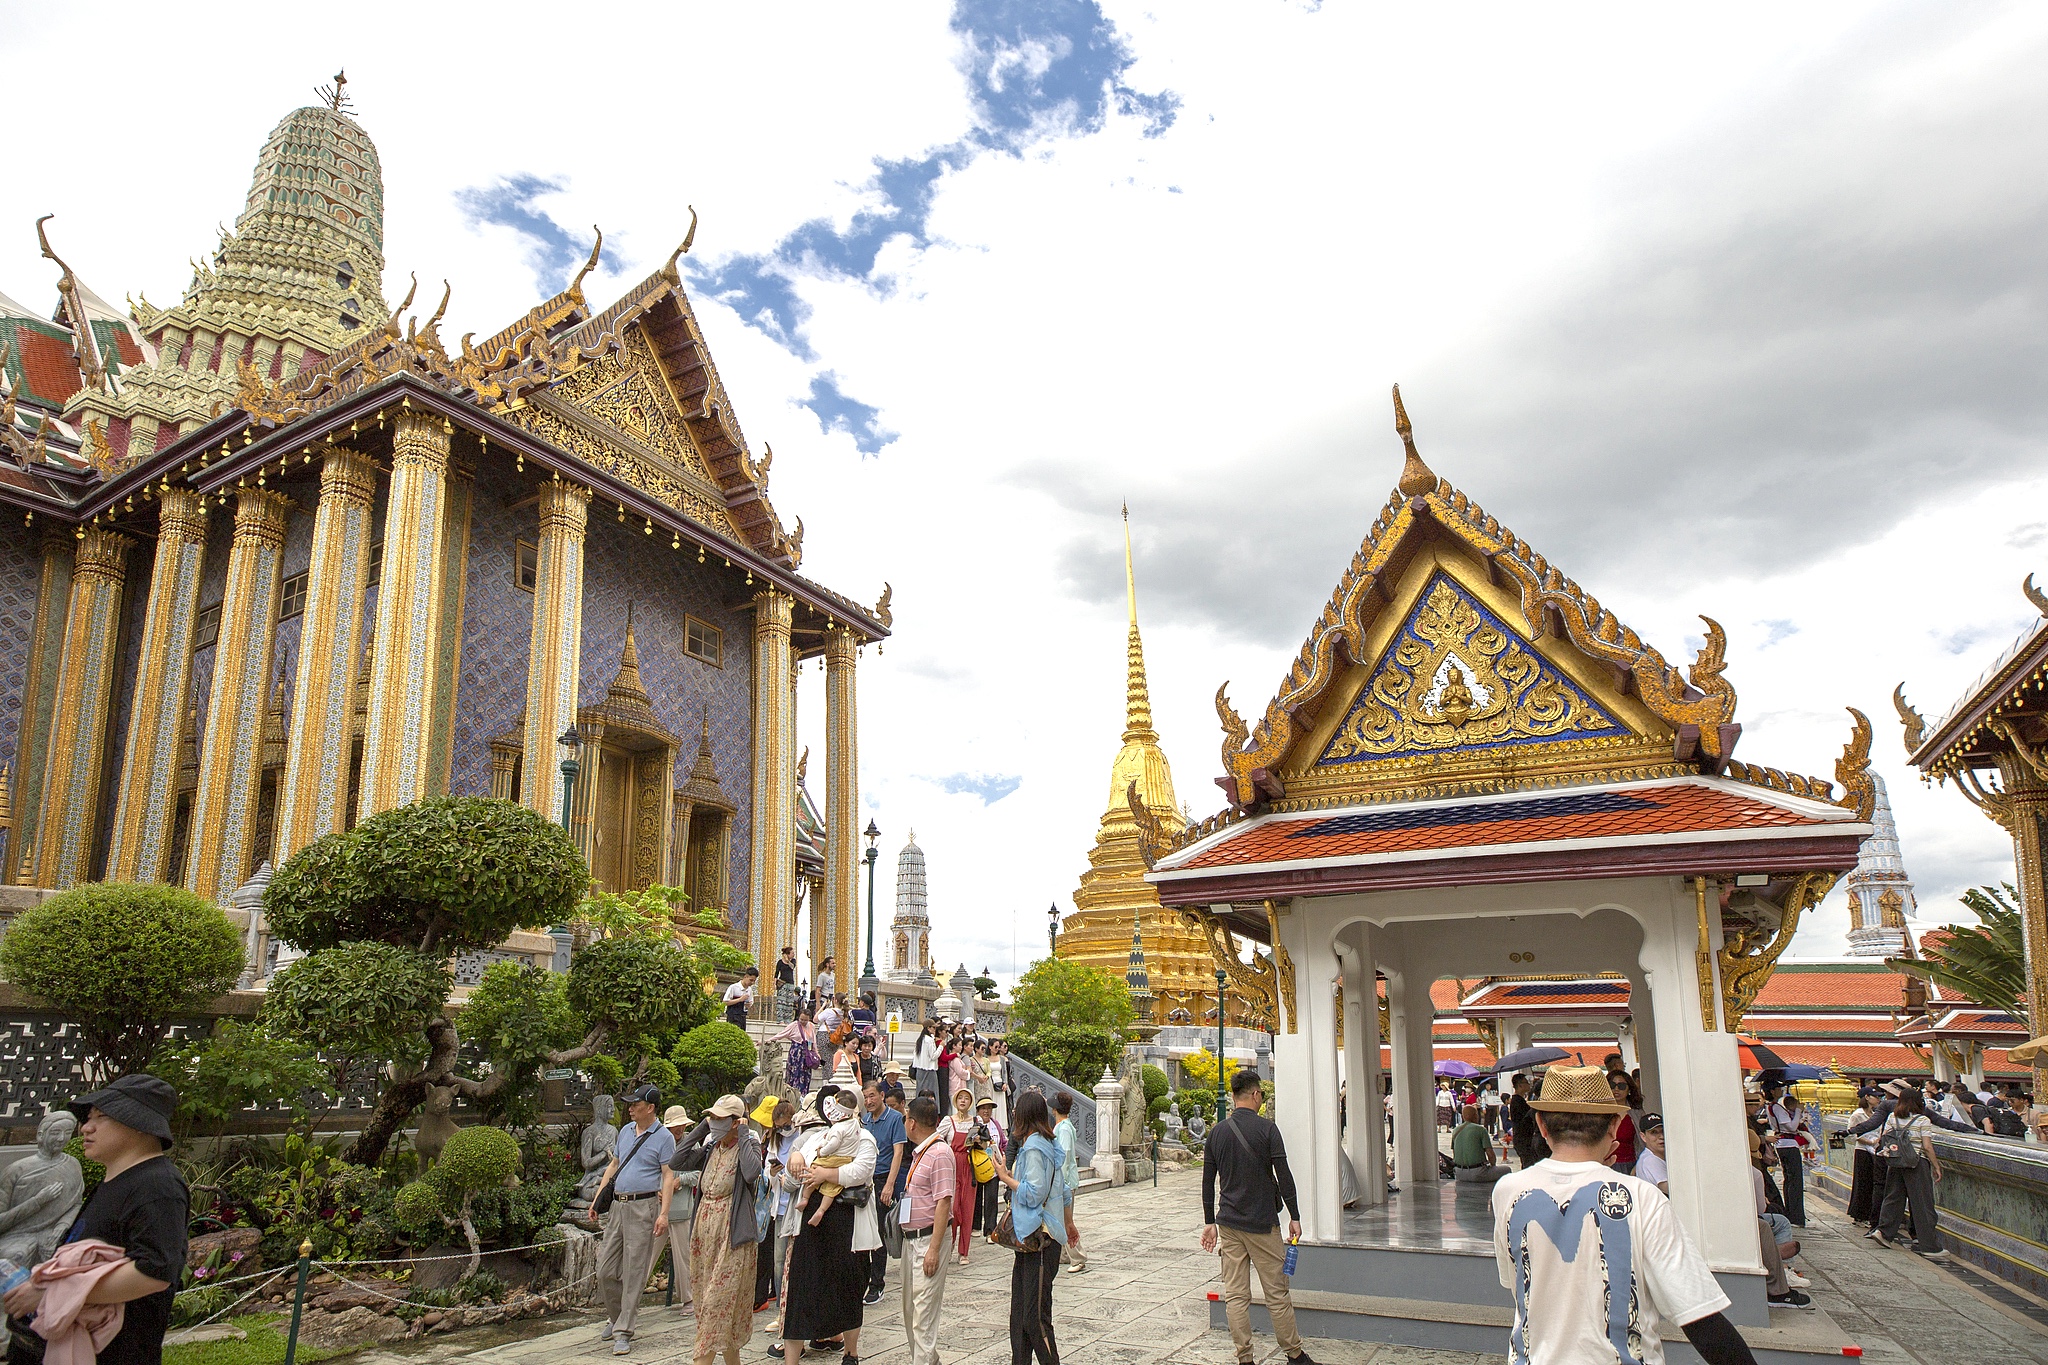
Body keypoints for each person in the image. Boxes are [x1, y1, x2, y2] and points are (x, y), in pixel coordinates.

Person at [1492, 1064, 1764, 1365]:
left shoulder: (1508, 1190)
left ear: (1542, 1126)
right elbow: (1700, 1318)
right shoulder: (1642, 1197)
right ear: (1613, 1125)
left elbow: (1516, 1281)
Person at [3, 1075, 189, 1365]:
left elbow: (153, 1273)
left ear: (140, 1124)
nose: (85, 1128)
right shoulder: (118, 1179)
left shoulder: (157, 1186)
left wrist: (50, 1293)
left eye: (100, 1117)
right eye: (88, 1118)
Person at [1201, 1070, 1311, 1365]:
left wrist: (1209, 1221)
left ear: (1234, 1096)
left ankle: (1245, 1357)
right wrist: (1295, 1215)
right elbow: (1283, 1176)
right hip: (1262, 1224)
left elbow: (1207, 1180)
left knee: (1236, 1295)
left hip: (1230, 1224)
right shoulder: (1268, 1129)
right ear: (1255, 1095)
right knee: (1276, 1293)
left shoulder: (1217, 1133)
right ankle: (1294, 1353)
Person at [779, 1089, 879, 1365]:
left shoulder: (864, 1137)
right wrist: (795, 1158)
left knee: (848, 1287)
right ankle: (791, 1358)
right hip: (811, 1227)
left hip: (846, 1222)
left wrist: (828, 1174)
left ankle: (850, 1351)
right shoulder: (815, 1137)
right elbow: (793, 1174)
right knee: (802, 1287)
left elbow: (863, 1170)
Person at [662, 1096, 761, 1365]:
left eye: (720, 1119)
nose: (716, 1122)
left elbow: (752, 1174)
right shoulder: (710, 1149)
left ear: (735, 1121)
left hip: (732, 1236)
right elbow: (676, 1160)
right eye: (713, 1118)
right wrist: (703, 1129)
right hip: (705, 1232)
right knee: (708, 1303)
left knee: (718, 1304)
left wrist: (742, 1131)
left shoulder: (749, 1144)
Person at [993, 1091, 1077, 1365]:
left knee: (1034, 1316)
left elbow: (1034, 1193)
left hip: (1038, 1238)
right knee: (1020, 1313)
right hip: (1037, 1237)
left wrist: (1006, 1178)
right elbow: (1062, 1190)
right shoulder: (1048, 1144)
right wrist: (1069, 1223)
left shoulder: (1033, 1147)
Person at [595, 1085, 678, 1355]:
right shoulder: (625, 1131)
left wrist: (664, 1213)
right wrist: (598, 1199)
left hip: (644, 1208)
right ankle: (617, 1316)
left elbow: (668, 1175)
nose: (630, 1108)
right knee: (605, 1269)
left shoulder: (664, 1137)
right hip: (618, 1206)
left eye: (635, 1104)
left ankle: (623, 1331)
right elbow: (615, 1165)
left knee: (634, 1272)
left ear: (650, 1108)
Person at [898, 1096, 955, 1365]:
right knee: (911, 1310)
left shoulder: (940, 1153)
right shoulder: (921, 1151)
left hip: (929, 1238)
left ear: (912, 1122)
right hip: (911, 1239)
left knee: (923, 1312)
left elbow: (944, 1201)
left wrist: (934, 1248)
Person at [1872, 1087, 1948, 1259]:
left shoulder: (1893, 1117)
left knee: (1893, 1198)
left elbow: (1884, 1137)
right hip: (1916, 1162)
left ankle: (1883, 1232)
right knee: (1922, 1203)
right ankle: (1929, 1245)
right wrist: (1936, 1166)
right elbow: (1927, 1147)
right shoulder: (1923, 1120)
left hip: (1896, 1162)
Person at [861, 1081, 907, 1306]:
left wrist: (889, 1185)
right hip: (864, 1180)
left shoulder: (895, 1119)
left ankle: (877, 1283)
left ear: (881, 1095)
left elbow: (898, 1153)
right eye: (865, 1097)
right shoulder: (864, 1120)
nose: (868, 1101)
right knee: (863, 1230)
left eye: (872, 1096)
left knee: (879, 1232)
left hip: (883, 1178)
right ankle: (863, 1278)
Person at [657, 1104, 696, 1312]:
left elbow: (699, 1173)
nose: (679, 1129)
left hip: (681, 1209)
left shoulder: (691, 1144)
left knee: (683, 1256)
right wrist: (658, 1188)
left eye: (681, 1125)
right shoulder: (659, 1142)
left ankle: (689, 1298)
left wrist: (679, 1181)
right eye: (675, 1126)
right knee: (646, 1254)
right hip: (658, 1209)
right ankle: (630, 1299)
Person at [935, 1090, 980, 1266]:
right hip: (951, 1165)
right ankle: (949, 1246)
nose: (963, 1101)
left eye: (966, 1098)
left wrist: (978, 1141)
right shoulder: (948, 1121)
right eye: (960, 1098)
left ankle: (964, 1251)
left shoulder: (975, 1122)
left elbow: (986, 1143)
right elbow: (937, 1138)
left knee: (968, 1208)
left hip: (969, 1165)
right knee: (952, 1208)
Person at [1049, 1093, 1088, 1273]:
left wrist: (1059, 1182)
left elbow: (1063, 1156)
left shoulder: (1063, 1129)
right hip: (1065, 1180)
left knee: (1066, 1220)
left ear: (1055, 1109)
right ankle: (1064, 1255)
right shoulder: (1062, 1126)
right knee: (1062, 1219)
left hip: (1065, 1181)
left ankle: (1078, 1257)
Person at [1762, 1083, 1809, 1226]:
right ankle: (1795, 1216)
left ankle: (1792, 1213)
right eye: (1777, 1088)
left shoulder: (1773, 1106)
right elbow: (1791, 1126)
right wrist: (1799, 1112)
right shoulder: (1776, 1107)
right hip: (1788, 1144)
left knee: (1790, 1179)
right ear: (1772, 1090)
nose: (1780, 1090)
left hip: (1784, 1144)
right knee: (1794, 1181)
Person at [973, 1097, 1007, 1245]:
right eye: (983, 1108)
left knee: (991, 1198)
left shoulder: (995, 1124)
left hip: (993, 1166)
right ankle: (974, 1226)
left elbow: (1003, 1142)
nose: (986, 1111)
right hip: (977, 1166)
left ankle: (990, 1229)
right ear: (978, 1110)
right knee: (976, 1197)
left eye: (989, 1108)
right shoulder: (974, 1124)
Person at [1452, 1104, 1506, 1186]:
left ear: (1463, 1116)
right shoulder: (1481, 1130)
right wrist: (1493, 1166)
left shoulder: (1455, 1130)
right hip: (1478, 1172)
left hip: (1459, 1173)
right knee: (1506, 1169)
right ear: (1475, 1116)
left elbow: (1454, 1152)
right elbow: (1490, 1154)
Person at [1606, 1073, 1640, 1174]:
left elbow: (1644, 1143)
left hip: (1631, 1166)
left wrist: (1639, 1166)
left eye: (1621, 1086)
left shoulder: (1637, 1114)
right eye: (1612, 1085)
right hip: (1605, 1165)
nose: (1616, 1089)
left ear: (1629, 1089)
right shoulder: (1600, 1113)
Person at [1508, 1074, 1543, 1170]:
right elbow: (1527, 1117)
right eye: (1526, 1082)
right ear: (1520, 1085)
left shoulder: (1520, 1100)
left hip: (1523, 1139)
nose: (1528, 1085)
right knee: (1528, 1165)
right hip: (1523, 1139)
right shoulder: (1517, 1101)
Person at [1634, 1114, 1670, 1194]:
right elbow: (1671, 1189)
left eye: (1663, 1131)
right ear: (1643, 1137)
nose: (1661, 1136)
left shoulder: (1653, 1157)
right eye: (1654, 1132)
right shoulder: (1650, 1160)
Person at [913, 1023, 940, 1099]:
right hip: (929, 1069)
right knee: (931, 1092)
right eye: (934, 1028)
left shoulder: (920, 1040)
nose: (935, 1030)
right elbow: (933, 1056)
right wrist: (941, 1046)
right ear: (928, 1028)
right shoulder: (929, 1040)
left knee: (920, 1091)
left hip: (920, 1069)